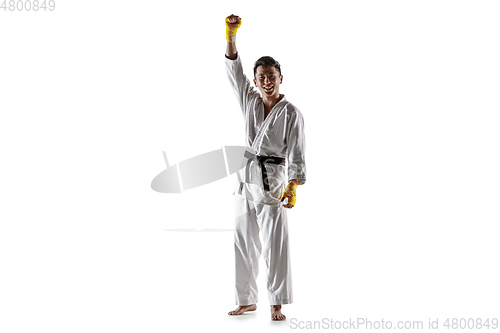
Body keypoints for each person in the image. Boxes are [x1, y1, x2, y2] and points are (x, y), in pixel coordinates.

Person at [224, 14, 307, 321]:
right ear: (256, 81)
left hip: (273, 182)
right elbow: (235, 72)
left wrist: (294, 185)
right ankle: (246, 300)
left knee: (275, 244)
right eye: (262, 77)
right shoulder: (249, 99)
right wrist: (231, 36)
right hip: (245, 178)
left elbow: (297, 151)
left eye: (272, 76)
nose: (267, 81)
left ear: (280, 78)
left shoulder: (291, 113)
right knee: (242, 240)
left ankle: (276, 302)